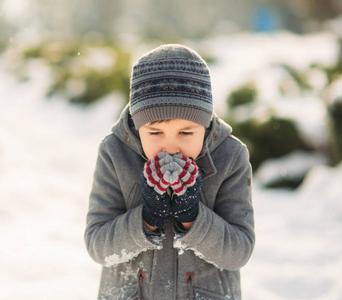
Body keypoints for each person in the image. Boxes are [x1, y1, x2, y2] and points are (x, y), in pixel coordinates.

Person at [85, 44, 255, 300]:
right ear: (137, 125)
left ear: (206, 124)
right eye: (155, 133)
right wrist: (147, 219)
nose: (172, 146)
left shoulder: (230, 157)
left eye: (186, 133)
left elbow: (239, 252)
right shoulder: (115, 153)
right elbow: (98, 245)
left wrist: (194, 218)